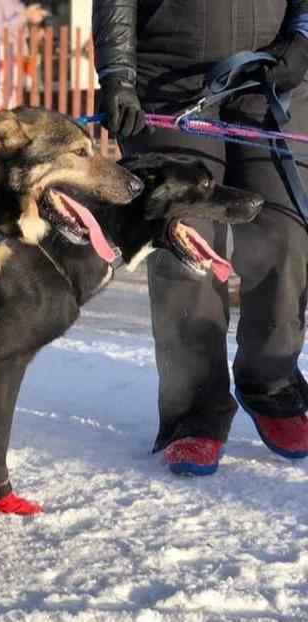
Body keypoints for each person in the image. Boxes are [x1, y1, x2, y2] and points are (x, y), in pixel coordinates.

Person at [93, 0, 308, 475]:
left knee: (286, 231)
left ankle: (271, 381)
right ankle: (194, 411)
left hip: (269, 74)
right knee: (186, 239)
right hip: (170, 76)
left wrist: (303, 35)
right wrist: (117, 75)